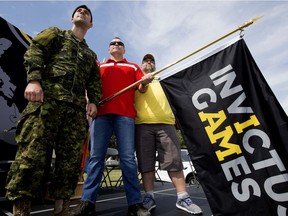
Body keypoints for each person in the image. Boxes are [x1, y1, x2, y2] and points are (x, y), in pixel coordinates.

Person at [5, 5, 102, 216]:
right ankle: (22, 210)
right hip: (46, 103)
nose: (82, 12)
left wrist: (93, 101)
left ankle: (62, 210)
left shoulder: (90, 54)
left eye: (87, 12)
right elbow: (35, 51)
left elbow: (94, 81)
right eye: (79, 10)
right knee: (31, 158)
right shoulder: (56, 34)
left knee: (69, 163)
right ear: (72, 18)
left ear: (91, 24)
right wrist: (33, 80)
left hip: (75, 112)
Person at [72, 37, 153, 216]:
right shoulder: (100, 66)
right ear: (109, 49)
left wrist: (145, 82)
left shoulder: (133, 67)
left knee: (128, 159)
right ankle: (87, 202)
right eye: (113, 43)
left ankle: (135, 204)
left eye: (119, 43)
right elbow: (90, 87)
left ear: (124, 50)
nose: (116, 45)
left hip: (125, 116)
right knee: (95, 159)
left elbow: (141, 88)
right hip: (101, 115)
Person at [135, 54, 203, 215]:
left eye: (151, 60)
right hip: (142, 125)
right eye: (145, 60)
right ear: (141, 65)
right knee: (146, 163)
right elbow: (142, 89)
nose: (149, 62)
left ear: (155, 65)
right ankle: (149, 197)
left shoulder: (163, 79)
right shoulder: (136, 79)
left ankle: (183, 197)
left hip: (166, 124)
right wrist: (144, 82)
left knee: (174, 160)